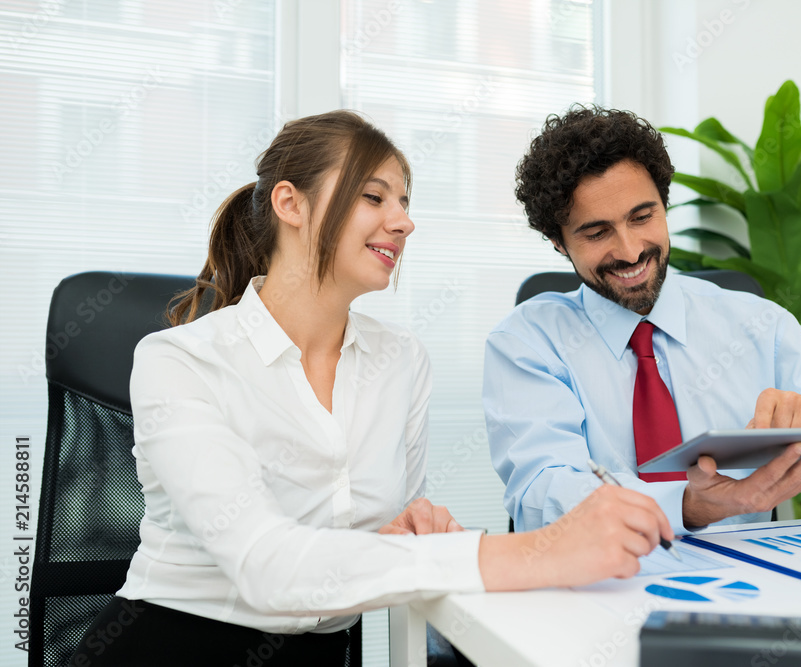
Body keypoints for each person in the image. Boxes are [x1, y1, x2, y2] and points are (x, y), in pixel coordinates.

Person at [70, 110, 673, 666]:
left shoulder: (401, 360)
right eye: (373, 196)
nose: (404, 221)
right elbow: (265, 566)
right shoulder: (179, 360)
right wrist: (542, 551)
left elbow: (393, 535)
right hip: (176, 647)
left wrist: (411, 531)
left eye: (405, 201)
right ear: (291, 203)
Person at [483, 105, 801, 535]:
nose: (631, 250)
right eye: (597, 233)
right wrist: (687, 507)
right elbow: (545, 493)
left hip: (746, 589)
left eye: (643, 217)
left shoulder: (759, 326)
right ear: (557, 242)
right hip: (592, 587)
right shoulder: (526, 343)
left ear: (664, 204)